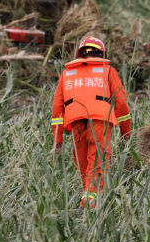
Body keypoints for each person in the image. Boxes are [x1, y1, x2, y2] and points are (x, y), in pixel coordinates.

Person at [51, 35, 131, 208]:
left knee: (84, 166)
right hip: (100, 121)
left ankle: (87, 200)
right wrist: (126, 133)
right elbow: (122, 103)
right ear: (101, 54)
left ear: (80, 54)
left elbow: (57, 110)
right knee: (97, 164)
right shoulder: (108, 70)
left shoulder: (67, 74)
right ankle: (91, 204)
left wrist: (57, 141)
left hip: (76, 123)